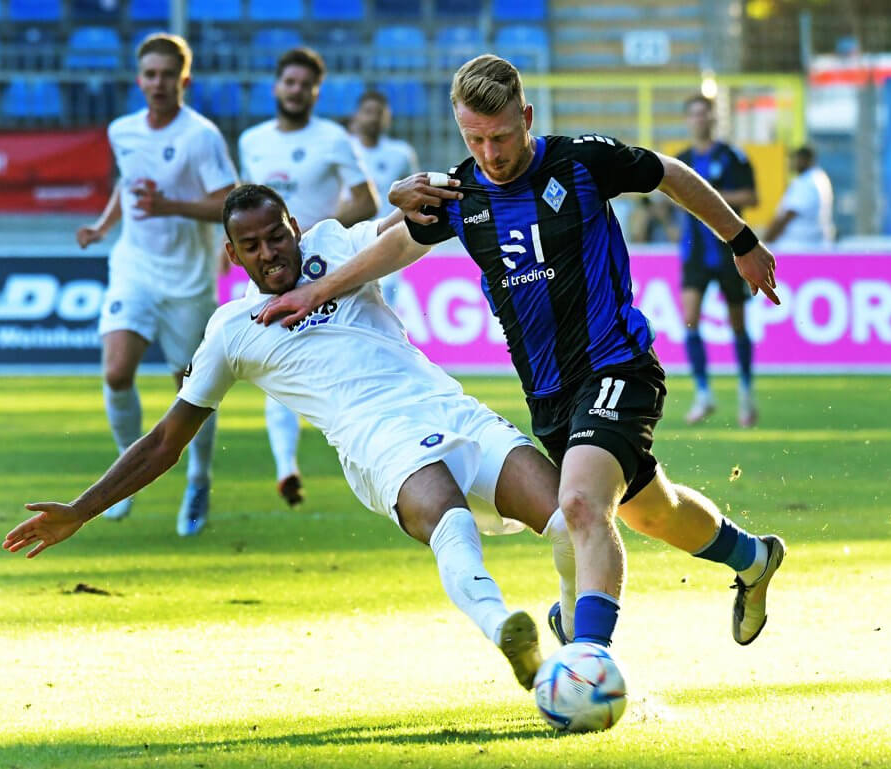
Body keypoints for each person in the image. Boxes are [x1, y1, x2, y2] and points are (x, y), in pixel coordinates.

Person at [259, 55, 787, 651]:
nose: (491, 152)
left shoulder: (583, 161)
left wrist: (741, 241)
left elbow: (669, 173)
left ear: (527, 117)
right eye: (474, 138)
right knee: (652, 511)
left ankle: (587, 660)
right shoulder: (461, 192)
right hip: (549, 395)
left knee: (582, 506)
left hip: (617, 365)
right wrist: (318, 290)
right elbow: (401, 243)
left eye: (502, 135)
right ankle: (753, 557)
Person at [4, 183, 587, 692]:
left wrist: (408, 192)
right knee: (450, 521)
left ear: (295, 228)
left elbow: (402, 226)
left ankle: (567, 622)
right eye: (252, 246)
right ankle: (511, 638)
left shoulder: (336, 247)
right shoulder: (231, 333)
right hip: (379, 442)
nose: (269, 254)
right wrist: (82, 509)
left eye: (276, 237)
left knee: (568, 520)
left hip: (454, 410)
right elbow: (164, 441)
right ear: (231, 255)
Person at [75, 33, 238, 537]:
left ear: (183, 80)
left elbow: (228, 200)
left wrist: (172, 207)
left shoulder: (201, 135)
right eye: (150, 74)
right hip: (134, 267)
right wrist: (104, 227)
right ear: (139, 79)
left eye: (168, 74)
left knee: (191, 392)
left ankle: (199, 478)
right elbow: (130, 184)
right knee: (117, 370)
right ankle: (124, 478)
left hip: (188, 280)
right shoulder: (122, 130)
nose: (158, 83)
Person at [237, 47, 379, 508]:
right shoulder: (252, 141)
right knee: (277, 364)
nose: (296, 91)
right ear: (277, 86)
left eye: (305, 85)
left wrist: (319, 236)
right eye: (290, 82)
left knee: (350, 364)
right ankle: (286, 466)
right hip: (271, 275)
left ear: (316, 91)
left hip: (321, 268)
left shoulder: (333, 139)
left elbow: (366, 200)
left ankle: (375, 453)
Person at [677, 95, 760, 427]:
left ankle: (745, 391)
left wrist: (709, 199)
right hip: (695, 253)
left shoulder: (732, 157)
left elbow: (752, 197)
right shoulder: (680, 160)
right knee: (690, 319)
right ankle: (703, 393)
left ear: (713, 118)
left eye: (704, 114)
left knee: (737, 323)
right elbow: (666, 198)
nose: (700, 119)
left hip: (729, 252)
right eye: (694, 114)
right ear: (688, 120)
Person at [348, 90, 420, 306]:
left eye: (379, 112)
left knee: (384, 303)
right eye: (368, 112)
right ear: (357, 115)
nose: (373, 117)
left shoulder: (401, 154)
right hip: (350, 240)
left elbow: (417, 194)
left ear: (387, 117)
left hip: (388, 240)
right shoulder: (344, 149)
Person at [763, 145, 835, 250]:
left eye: (795, 159)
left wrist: (766, 241)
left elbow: (787, 216)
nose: (792, 163)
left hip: (796, 246)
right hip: (815, 244)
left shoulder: (805, 182)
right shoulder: (820, 178)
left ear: (804, 160)